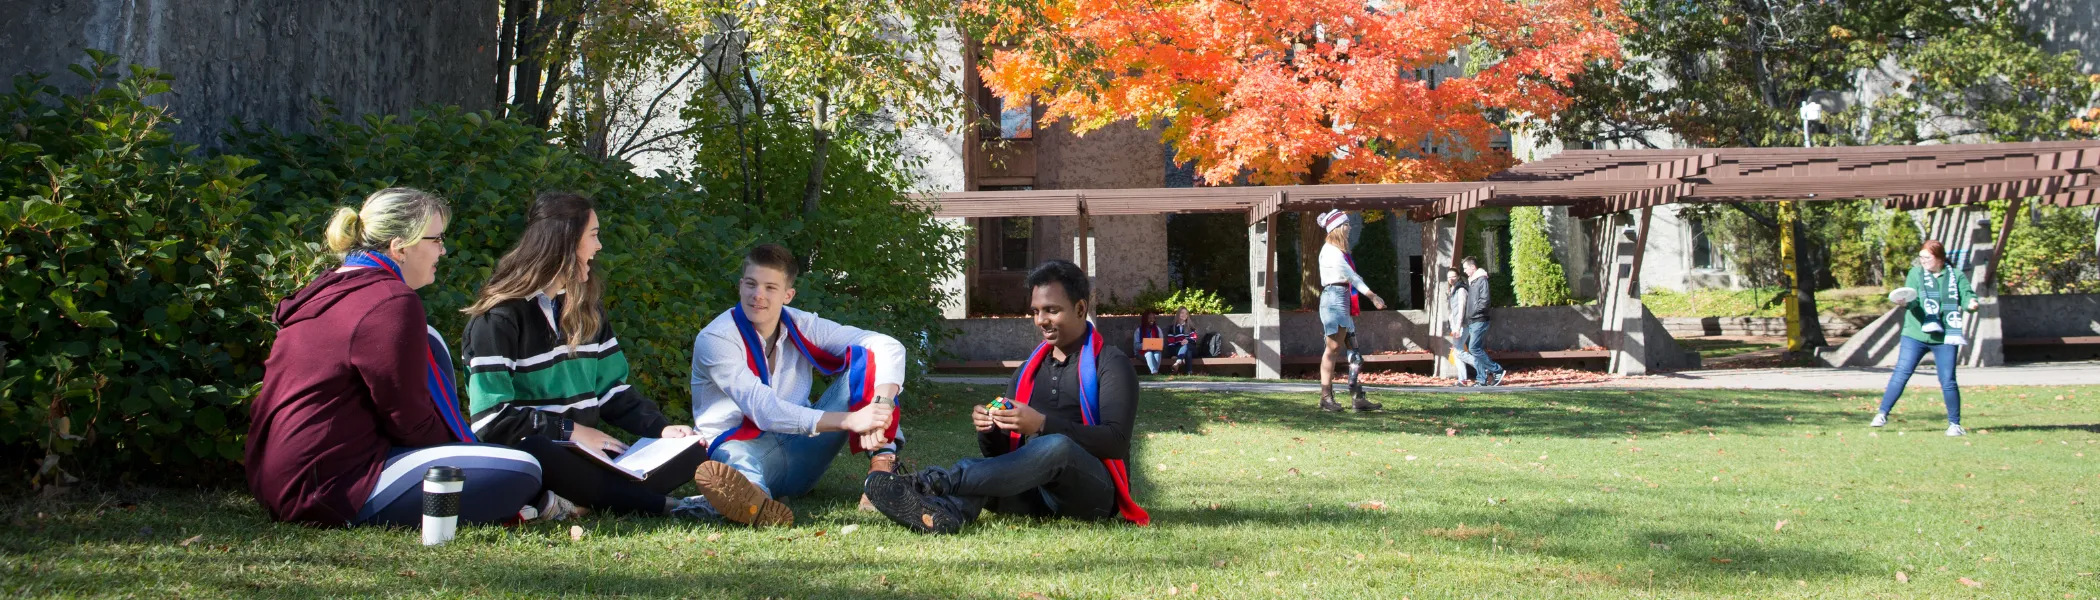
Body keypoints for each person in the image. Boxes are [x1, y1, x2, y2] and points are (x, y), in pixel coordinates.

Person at [247, 188, 541, 528]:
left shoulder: (333, 287)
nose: (443, 250)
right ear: (400, 247)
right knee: (523, 468)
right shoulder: (389, 300)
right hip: (327, 489)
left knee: (430, 341)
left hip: (281, 479)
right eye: (436, 239)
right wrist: (460, 462)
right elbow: (409, 419)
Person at [462, 192, 758, 522]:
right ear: (564, 242)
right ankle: (676, 507)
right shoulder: (499, 318)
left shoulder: (587, 308)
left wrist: (661, 430)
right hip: (536, 455)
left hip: (588, 457)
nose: (599, 246)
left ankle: (572, 502)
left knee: (689, 451)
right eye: (593, 235)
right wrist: (571, 431)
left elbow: (612, 393)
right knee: (538, 450)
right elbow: (491, 420)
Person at [862, 259, 1150, 534]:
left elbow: (1116, 442)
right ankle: (943, 513)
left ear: (1080, 308)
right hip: (1037, 494)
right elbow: (1002, 460)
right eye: (1036, 311)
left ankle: (932, 482)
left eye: (1051, 310)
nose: (1041, 320)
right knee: (990, 479)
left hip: (1093, 496)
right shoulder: (1028, 370)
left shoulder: (1111, 363)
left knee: (1057, 446)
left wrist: (1041, 424)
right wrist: (990, 428)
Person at [688, 244, 902, 525]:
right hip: (742, 446)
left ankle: (882, 472)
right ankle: (755, 502)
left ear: (788, 295)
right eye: (751, 284)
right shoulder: (716, 339)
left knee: (871, 361)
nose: (758, 295)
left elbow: (887, 346)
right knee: (736, 456)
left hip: (802, 450)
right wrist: (850, 419)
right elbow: (764, 410)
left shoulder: (803, 324)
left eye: (770, 287)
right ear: (740, 286)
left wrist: (881, 405)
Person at [1872, 240, 1978, 436]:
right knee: (1902, 372)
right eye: (1920, 257)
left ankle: (1954, 424)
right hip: (1915, 334)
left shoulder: (1956, 276)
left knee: (1948, 380)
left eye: (1927, 258)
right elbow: (1912, 299)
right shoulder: (1916, 274)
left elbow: (1966, 295)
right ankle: (1881, 414)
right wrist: (1905, 303)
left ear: (1940, 258)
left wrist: (1972, 303)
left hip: (1946, 336)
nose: (1923, 261)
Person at [1314, 210, 1387, 412]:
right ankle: (1326, 398)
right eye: (1347, 224)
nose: (1350, 227)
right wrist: (1372, 295)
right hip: (1334, 300)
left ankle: (1357, 397)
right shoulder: (1331, 251)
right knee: (1332, 349)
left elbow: (1350, 277)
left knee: (1354, 352)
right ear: (1337, 228)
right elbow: (1351, 276)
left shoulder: (1339, 251)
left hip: (1342, 299)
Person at [1460, 256, 1506, 387]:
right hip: (1473, 321)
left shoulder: (1481, 280)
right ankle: (1481, 379)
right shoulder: (1472, 282)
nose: (1464, 271)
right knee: (1476, 349)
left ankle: (1497, 370)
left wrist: (1474, 313)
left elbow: (1485, 301)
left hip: (1479, 319)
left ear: (1473, 267)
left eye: (1465, 268)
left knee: (1473, 348)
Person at [1444, 269, 1478, 384]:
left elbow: (1461, 309)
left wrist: (1457, 327)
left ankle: (1482, 366)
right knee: (1457, 352)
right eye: (1449, 277)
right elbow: (1452, 312)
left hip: (1463, 325)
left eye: (1453, 276)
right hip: (1456, 326)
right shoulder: (1452, 290)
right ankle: (1462, 379)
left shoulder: (1461, 289)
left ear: (1458, 277)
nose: (1451, 279)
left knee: (1458, 352)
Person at [1164, 307, 1199, 375]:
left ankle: (1178, 362)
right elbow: (1171, 344)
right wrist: (1173, 354)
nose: (1184, 315)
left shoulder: (1190, 327)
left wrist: (1188, 340)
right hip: (1179, 350)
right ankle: (1189, 372)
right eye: (1182, 313)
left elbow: (1194, 339)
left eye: (1186, 313)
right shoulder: (1172, 328)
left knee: (1187, 347)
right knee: (1188, 352)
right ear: (1178, 314)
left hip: (1192, 348)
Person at [1134, 310, 1166, 374]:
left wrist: (1156, 345)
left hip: (1155, 350)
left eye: (1153, 318)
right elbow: (1136, 346)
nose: (1152, 320)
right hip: (1141, 352)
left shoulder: (1157, 329)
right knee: (1149, 353)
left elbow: (1162, 344)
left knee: (1157, 353)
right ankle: (1155, 372)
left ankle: (1154, 372)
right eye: (1149, 318)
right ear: (1145, 319)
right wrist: (1146, 345)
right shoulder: (1139, 330)